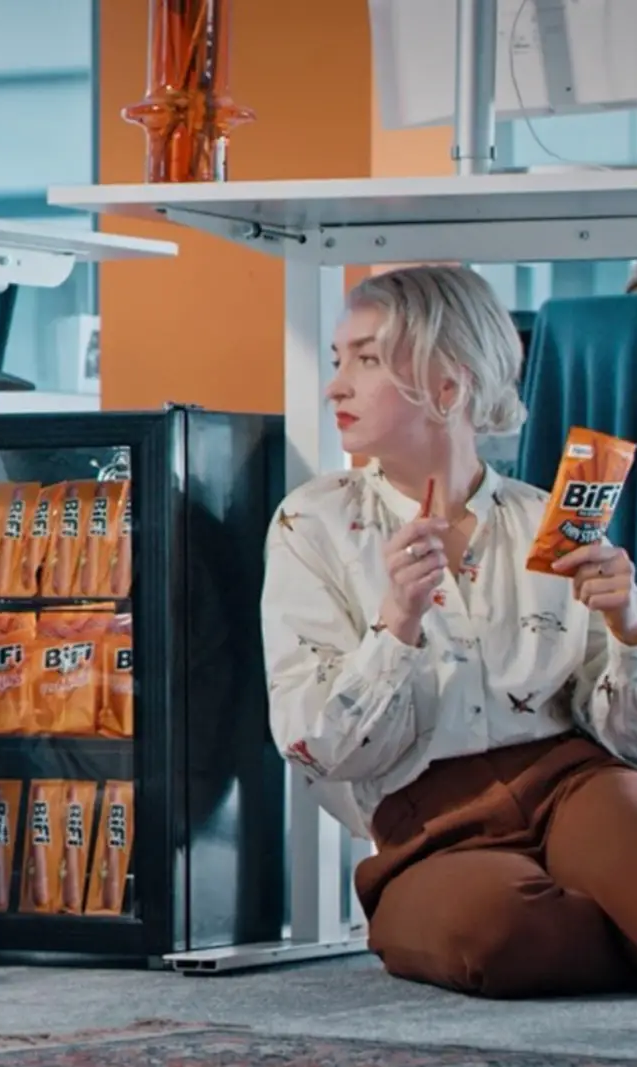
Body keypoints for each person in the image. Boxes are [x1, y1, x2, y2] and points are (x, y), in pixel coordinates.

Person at [262, 264, 637, 999]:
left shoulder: (547, 521)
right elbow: (316, 745)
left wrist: (627, 630)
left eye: (365, 358)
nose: (335, 384)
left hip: (574, 783)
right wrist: (395, 624)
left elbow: (622, 737)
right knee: (494, 940)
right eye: (338, 359)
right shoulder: (312, 524)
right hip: (427, 823)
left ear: (447, 385)